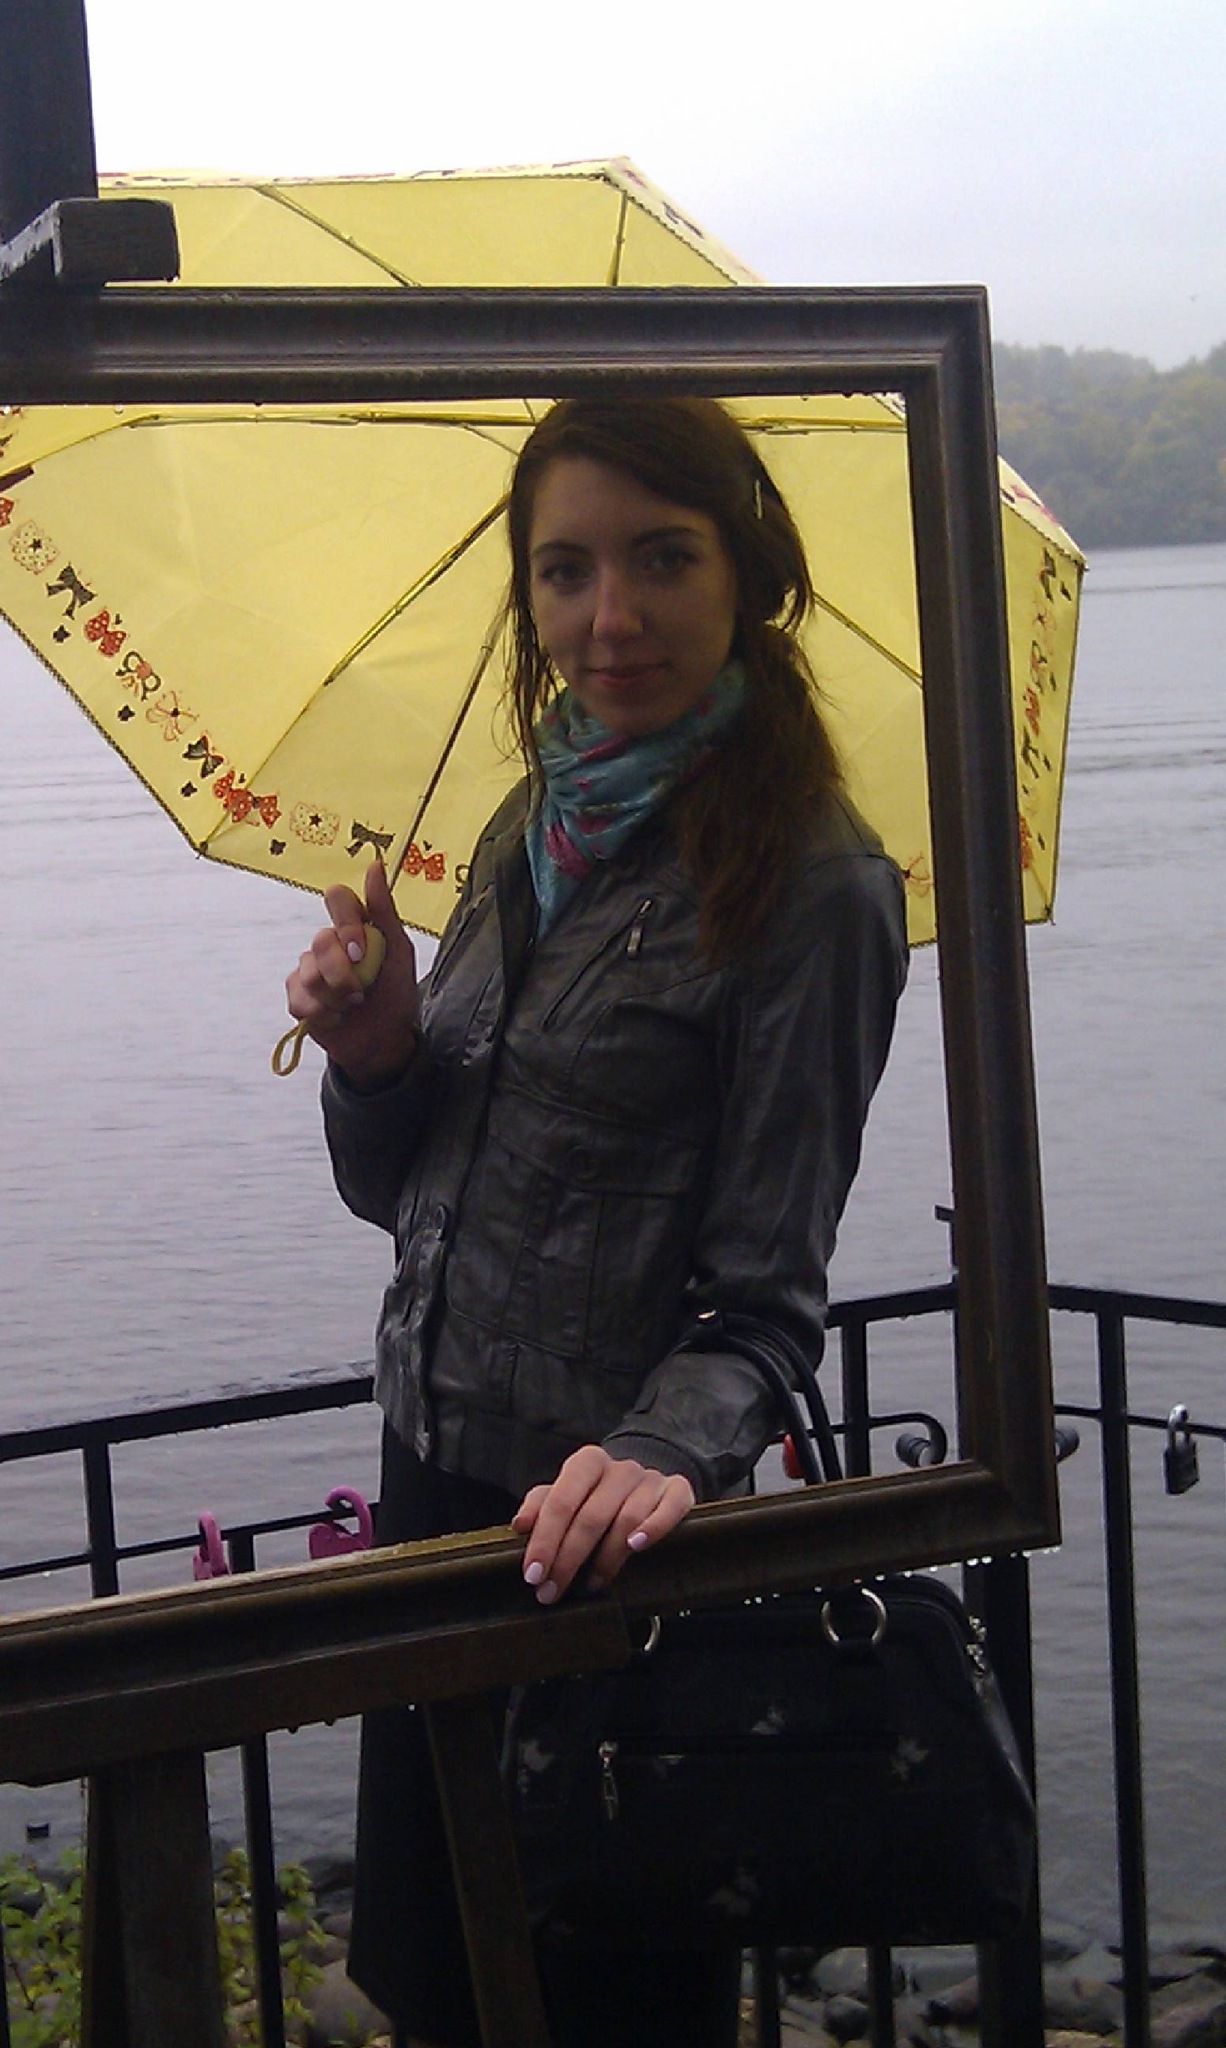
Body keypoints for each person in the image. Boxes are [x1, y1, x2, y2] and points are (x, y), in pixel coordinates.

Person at [285, 396, 909, 2048]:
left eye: (660, 559)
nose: (607, 616)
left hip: (597, 1544)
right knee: (434, 1978)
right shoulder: (526, 829)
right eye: (564, 570)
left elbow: (764, 1302)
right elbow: (401, 1193)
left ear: (747, 576)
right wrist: (376, 1058)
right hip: (433, 1495)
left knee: (599, 1998)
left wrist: (657, 1453)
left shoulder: (814, 889)